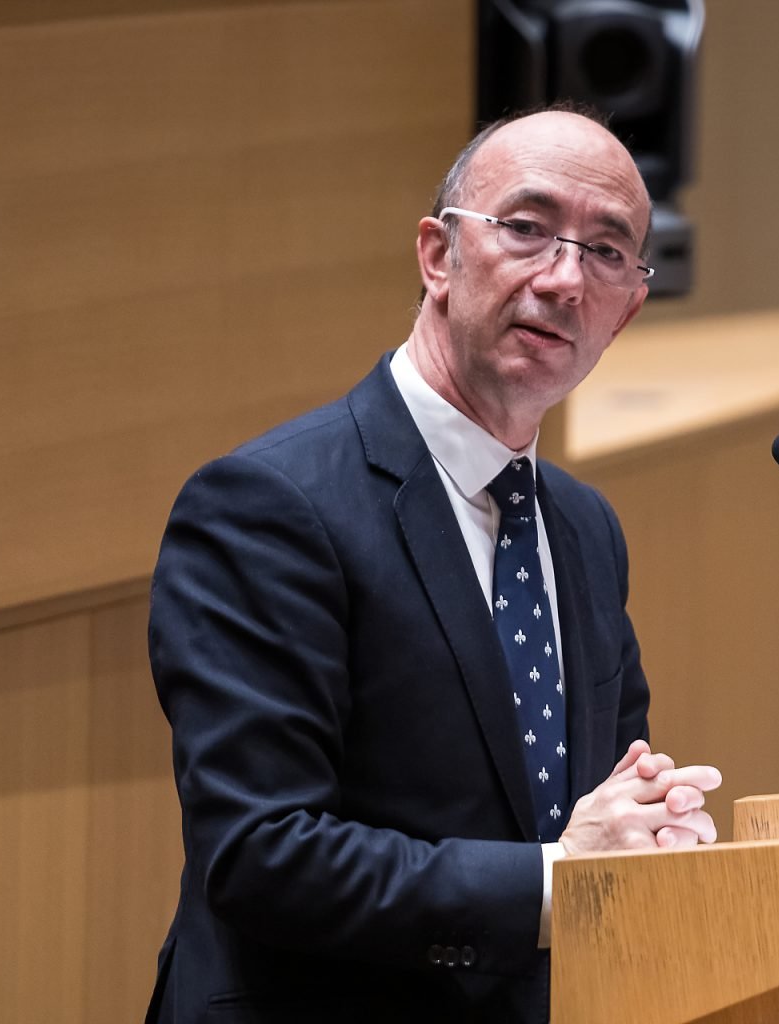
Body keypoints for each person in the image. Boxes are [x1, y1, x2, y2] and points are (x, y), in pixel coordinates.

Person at [144, 107, 723, 1023]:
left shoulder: (583, 527)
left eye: (608, 252)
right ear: (438, 256)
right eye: (528, 229)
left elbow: (597, 805)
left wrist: (648, 830)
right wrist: (557, 877)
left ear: (629, 310)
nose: (566, 277)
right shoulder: (269, 507)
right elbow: (260, 854)